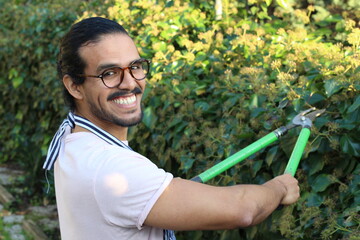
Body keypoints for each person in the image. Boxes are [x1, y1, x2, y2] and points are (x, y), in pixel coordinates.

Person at [43, 17, 300, 240]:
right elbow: (243, 210)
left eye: (135, 67)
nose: (130, 83)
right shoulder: (112, 169)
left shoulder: (73, 138)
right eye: (109, 73)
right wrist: (279, 188)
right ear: (74, 86)